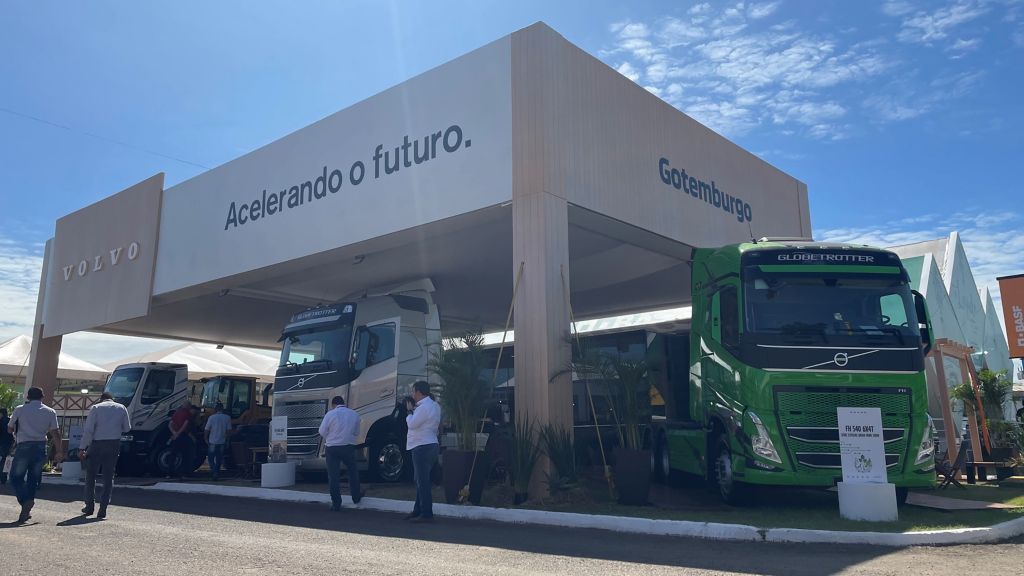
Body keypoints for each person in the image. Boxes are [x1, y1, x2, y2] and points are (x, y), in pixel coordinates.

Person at [7, 386, 64, 523]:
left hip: (24, 446)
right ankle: (26, 510)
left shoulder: (20, 409)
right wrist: (59, 451)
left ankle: (25, 500)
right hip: (40, 446)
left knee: (15, 477)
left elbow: (9, 429)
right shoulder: (50, 411)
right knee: (33, 479)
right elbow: (55, 433)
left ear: (28, 397)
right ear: (42, 397)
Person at [79, 392, 131, 518]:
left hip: (97, 444)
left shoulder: (96, 408)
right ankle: (103, 508)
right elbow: (127, 428)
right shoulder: (122, 408)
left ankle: (89, 506)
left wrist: (82, 447)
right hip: (114, 444)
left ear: (101, 399)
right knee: (108, 477)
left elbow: (89, 430)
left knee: (91, 475)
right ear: (112, 399)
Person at [404, 380, 440, 523]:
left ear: (418, 392)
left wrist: (409, 412)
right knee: (421, 479)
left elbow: (412, 424)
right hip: (431, 444)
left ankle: (426, 512)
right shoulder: (435, 405)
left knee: (422, 481)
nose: (412, 395)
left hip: (421, 446)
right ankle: (418, 509)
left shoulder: (423, 407)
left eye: (413, 392)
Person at [318, 395, 362, 511]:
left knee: (333, 476)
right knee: (353, 471)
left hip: (332, 448)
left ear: (333, 405)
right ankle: (356, 497)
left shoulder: (330, 414)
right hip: (348, 446)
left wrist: (331, 437)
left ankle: (336, 503)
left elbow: (321, 431)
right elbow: (357, 432)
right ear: (343, 403)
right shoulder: (354, 414)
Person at [166, 400, 194, 479]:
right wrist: (179, 433)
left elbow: (170, 424)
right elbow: (185, 424)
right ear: (188, 406)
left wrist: (174, 433)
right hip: (183, 436)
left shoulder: (176, 413)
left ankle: (169, 473)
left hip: (175, 436)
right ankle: (183, 474)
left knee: (173, 454)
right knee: (185, 455)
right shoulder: (188, 414)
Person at [204, 402, 232, 481]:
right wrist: (227, 441)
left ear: (215, 409)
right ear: (222, 409)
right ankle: (216, 471)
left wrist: (205, 439)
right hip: (222, 441)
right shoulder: (227, 418)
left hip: (212, 441)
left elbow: (207, 429)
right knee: (219, 458)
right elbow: (229, 431)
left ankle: (214, 471)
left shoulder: (211, 418)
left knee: (211, 458)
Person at [0, 407, 13, 486]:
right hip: (8, 444)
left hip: (2, 443)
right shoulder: (10, 421)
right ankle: (3, 478)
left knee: (2, 461)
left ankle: (2, 477)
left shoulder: (1, 421)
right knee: (5, 461)